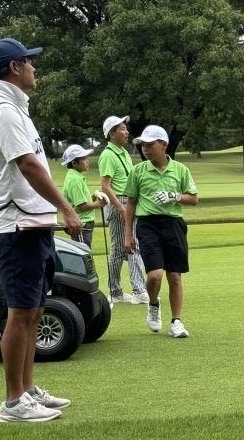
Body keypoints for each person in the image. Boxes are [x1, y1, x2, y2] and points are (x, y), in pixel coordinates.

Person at [0, 37, 81, 422]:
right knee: (20, 313)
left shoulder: (15, 109)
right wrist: (66, 207)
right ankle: (13, 403)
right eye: (29, 62)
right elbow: (28, 165)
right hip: (15, 225)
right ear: (14, 67)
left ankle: (27, 389)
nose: (34, 68)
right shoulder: (2, 111)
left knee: (35, 309)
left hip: (31, 224)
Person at [124, 125, 198, 338]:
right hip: (148, 225)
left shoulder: (180, 170)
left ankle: (176, 321)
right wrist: (128, 235)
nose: (145, 149)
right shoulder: (138, 171)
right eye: (142, 146)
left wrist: (174, 196)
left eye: (149, 145)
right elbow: (131, 203)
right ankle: (153, 304)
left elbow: (193, 198)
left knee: (174, 275)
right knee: (155, 276)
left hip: (174, 224)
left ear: (163, 144)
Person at [98, 115, 149, 304]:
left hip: (128, 201)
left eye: (126, 129)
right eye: (122, 129)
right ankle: (138, 290)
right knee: (130, 245)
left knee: (121, 249)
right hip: (119, 202)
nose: (127, 132)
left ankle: (116, 291)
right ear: (112, 133)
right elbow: (105, 186)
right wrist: (120, 208)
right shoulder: (108, 155)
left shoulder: (124, 153)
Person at [60, 144, 108, 247]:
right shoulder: (75, 180)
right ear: (74, 163)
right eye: (84, 158)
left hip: (84, 224)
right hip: (82, 224)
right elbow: (82, 206)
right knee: (83, 254)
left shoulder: (76, 177)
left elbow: (83, 201)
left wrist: (94, 197)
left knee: (85, 253)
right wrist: (99, 203)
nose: (87, 161)